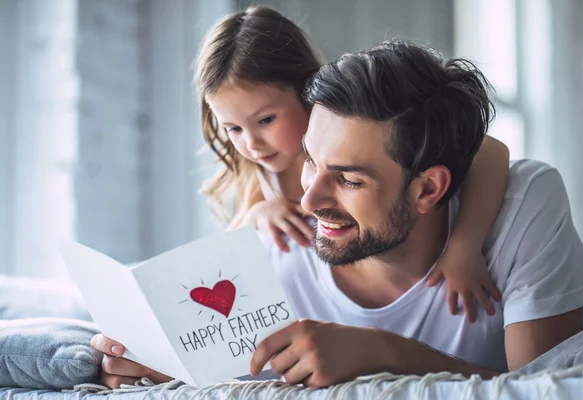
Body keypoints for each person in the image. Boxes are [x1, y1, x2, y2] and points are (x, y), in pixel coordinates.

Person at [91, 8, 521, 389]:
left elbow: (488, 150)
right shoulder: (261, 176)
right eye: (233, 129)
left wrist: (464, 245)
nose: (252, 143)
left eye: (265, 119)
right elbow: (229, 264)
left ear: (307, 91)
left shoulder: (358, 121)